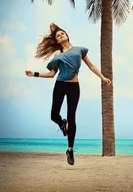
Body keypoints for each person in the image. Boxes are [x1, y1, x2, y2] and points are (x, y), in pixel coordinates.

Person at [25, 23, 111, 165]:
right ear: (57, 41)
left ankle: (70, 150)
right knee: (53, 115)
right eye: (58, 35)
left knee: (72, 117)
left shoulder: (79, 50)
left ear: (67, 35)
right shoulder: (58, 54)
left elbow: (90, 65)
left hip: (74, 87)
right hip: (60, 85)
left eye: (62, 33)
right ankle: (62, 123)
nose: (60, 35)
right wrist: (34, 74)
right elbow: (52, 74)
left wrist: (102, 77)